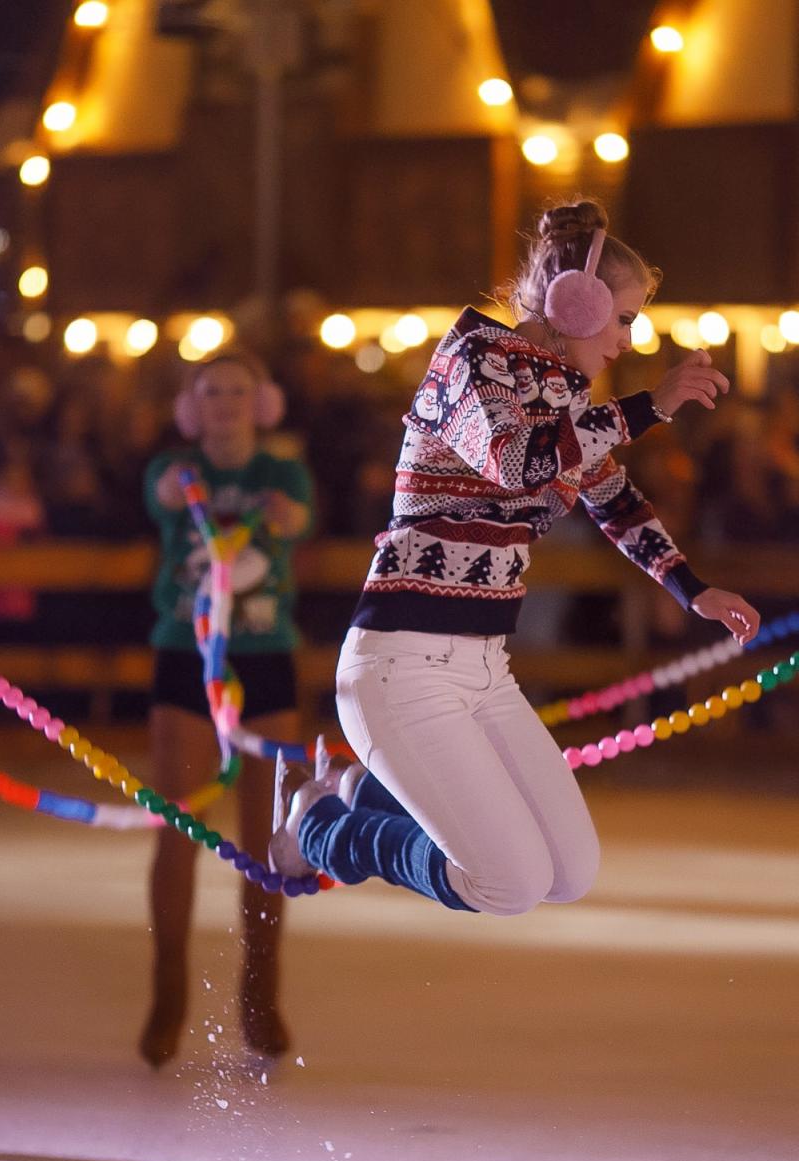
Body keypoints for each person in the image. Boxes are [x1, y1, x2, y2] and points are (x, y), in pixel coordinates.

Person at [269, 200, 759, 917]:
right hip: (401, 665)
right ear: (578, 301)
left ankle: (360, 792)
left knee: (570, 873)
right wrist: (648, 407)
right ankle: (320, 829)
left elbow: (612, 496)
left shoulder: (565, 394)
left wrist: (693, 588)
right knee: (510, 884)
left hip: (484, 667)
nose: (628, 339)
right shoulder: (475, 359)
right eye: (624, 318)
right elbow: (517, 463)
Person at [139, 351, 312, 1066]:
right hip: (187, 655)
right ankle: (168, 986)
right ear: (191, 404)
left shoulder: (281, 473)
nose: (226, 405)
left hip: (265, 656)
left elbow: (299, 515)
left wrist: (284, 512)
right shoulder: (176, 470)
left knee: (267, 842)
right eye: (212, 393)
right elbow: (168, 494)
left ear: (261, 400)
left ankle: (259, 990)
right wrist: (188, 492)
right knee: (179, 827)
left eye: (240, 391)